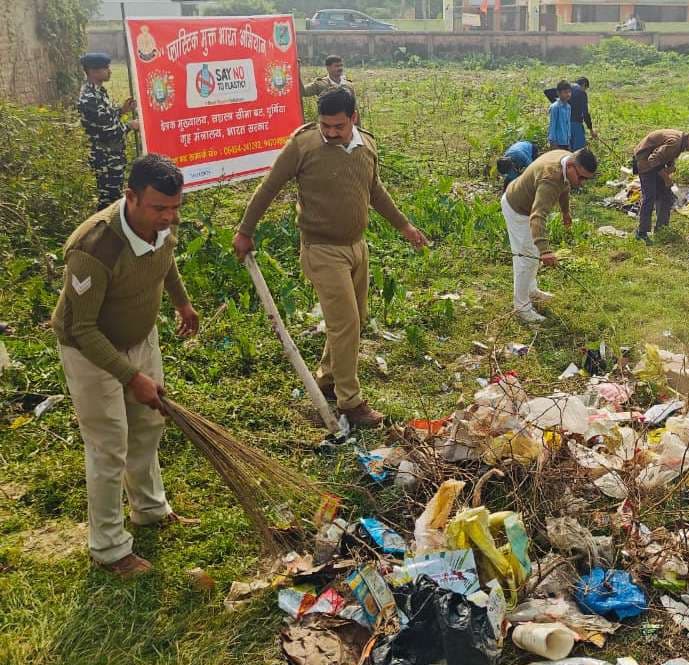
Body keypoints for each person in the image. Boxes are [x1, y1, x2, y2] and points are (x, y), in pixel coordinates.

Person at [232, 89, 429, 427]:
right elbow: (269, 186)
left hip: (356, 247)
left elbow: (375, 191)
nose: (331, 132)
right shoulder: (303, 146)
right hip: (321, 250)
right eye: (325, 125)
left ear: (353, 118)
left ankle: (327, 378)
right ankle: (350, 402)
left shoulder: (367, 145)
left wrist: (405, 226)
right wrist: (244, 230)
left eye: (338, 126)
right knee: (346, 323)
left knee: (355, 317)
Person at [51, 155, 200, 579]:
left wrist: (181, 301)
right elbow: (83, 330)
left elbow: (163, 260)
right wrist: (131, 377)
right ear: (130, 197)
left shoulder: (162, 225)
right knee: (108, 444)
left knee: (149, 426)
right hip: (91, 351)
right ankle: (109, 547)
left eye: (175, 207)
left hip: (141, 337)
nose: (169, 217)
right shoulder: (94, 248)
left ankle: (150, 510)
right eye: (159, 208)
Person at [501, 148, 598, 324]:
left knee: (532, 254)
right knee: (527, 258)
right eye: (582, 178)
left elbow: (565, 187)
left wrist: (565, 212)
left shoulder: (566, 159)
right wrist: (545, 251)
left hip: (525, 200)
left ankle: (531, 289)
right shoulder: (550, 179)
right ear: (570, 166)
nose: (582, 183)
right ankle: (522, 308)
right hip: (518, 208)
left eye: (586, 179)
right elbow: (537, 215)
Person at [78, 52, 139, 210]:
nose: (110, 71)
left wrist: (122, 110)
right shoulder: (89, 97)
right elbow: (108, 131)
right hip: (105, 157)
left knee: (115, 195)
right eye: (106, 68)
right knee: (109, 200)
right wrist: (130, 126)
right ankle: (104, 231)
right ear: (93, 71)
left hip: (113, 155)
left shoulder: (99, 92)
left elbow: (105, 116)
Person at [633, 128, 689, 244]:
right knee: (650, 197)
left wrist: (671, 167)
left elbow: (666, 156)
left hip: (654, 164)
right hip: (644, 161)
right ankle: (641, 232)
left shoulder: (681, 142)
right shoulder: (676, 142)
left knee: (666, 195)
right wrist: (666, 177)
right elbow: (653, 159)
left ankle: (662, 230)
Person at [569, 77, 597, 152]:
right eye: (586, 88)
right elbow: (585, 113)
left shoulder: (566, 89)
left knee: (567, 152)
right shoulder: (581, 92)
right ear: (584, 84)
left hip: (562, 125)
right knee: (579, 152)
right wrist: (591, 130)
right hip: (575, 125)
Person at [548, 80, 573, 151]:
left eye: (569, 92)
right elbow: (552, 125)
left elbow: (568, 125)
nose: (568, 94)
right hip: (557, 143)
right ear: (558, 93)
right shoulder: (555, 107)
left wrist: (569, 142)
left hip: (566, 142)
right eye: (565, 92)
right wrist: (553, 143)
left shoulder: (568, 107)